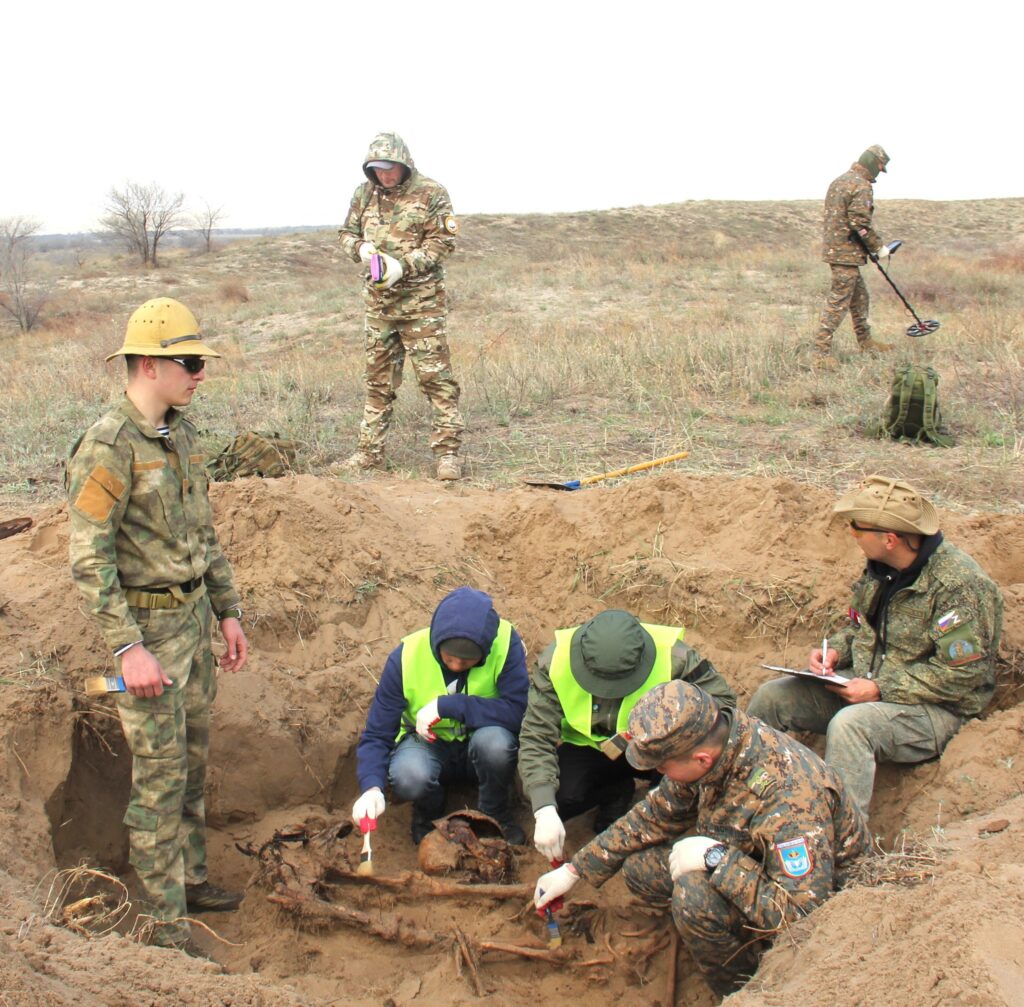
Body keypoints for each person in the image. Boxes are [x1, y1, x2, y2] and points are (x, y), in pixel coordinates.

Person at [67, 297, 249, 951]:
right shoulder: (108, 446)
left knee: (192, 765)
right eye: (190, 363)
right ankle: (164, 924)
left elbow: (204, 536)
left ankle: (190, 881)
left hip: (193, 624)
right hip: (149, 634)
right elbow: (89, 560)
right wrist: (128, 649)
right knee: (160, 777)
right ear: (149, 364)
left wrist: (228, 611)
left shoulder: (181, 435)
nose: (201, 374)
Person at [533, 681, 869, 997]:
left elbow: (804, 915)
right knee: (640, 870)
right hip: (754, 864)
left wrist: (717, 860)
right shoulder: (711, 745)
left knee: (692, 896)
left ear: (701, 760)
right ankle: (720, 933)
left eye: (662, 768)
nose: (660, 775)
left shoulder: (790, 798)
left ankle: (743, 990)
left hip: (820, 903)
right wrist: (574, 870)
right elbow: (655, 815)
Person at [748, 475, 1004, 815]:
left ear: (890, 539)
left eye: (857, 529)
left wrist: (881, 689)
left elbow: (963, 675)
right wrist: (836, 650)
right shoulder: (883, 569)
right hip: (868, 685)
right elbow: (860, 628)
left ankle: (840, 833)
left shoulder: (958, 586)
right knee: (772, 697)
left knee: (852, 725)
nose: (852, 535)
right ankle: (746, 801)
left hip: (937, 710)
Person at [518, 609, 735, 862]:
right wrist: (544, 808)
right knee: (555, 797)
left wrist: (675, 732)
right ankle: (615, 791)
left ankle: (665, 808)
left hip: (659, 751)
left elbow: (724, 709)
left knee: (677, 796)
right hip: (592, 750)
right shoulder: (555, 661)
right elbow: (536, 735)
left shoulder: (675, 657)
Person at [351, 587, 528, 844]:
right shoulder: (406, 657)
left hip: (480, 746)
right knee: (409, 775)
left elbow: (519, 711)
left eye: (466, 662)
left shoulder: (504, 643)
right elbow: (378, 733)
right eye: (449, 659)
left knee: (496, 745)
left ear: (485, 651)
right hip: (426, 745)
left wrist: (449, 706)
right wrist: (371, 787)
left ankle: (495, 812)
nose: (456, 666)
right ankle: (428, 815)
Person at [338, 131, 465, 480]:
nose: (385, 175)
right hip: (380, 306)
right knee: (378, 382)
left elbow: (443, 242)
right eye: (377, 169)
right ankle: (369, 454)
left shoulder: (431, 192)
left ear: (404, 163)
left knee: (436, 381)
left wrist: (403, 266)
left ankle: (448, 455)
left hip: (421, 306)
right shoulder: (364, 194)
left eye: (390, 168)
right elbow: (346, 233)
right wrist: (360, 249)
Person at [814, 144, 894, 369]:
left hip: (837, 250)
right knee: (838, 302)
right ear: (873, 163)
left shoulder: (839, 181)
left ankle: (865, 341)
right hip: (846, 253)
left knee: (860, 297)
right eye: (880, 167)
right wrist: (879, 248)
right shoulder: (861, 185)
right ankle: (820, 352)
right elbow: (859, 224)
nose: (879, 173)